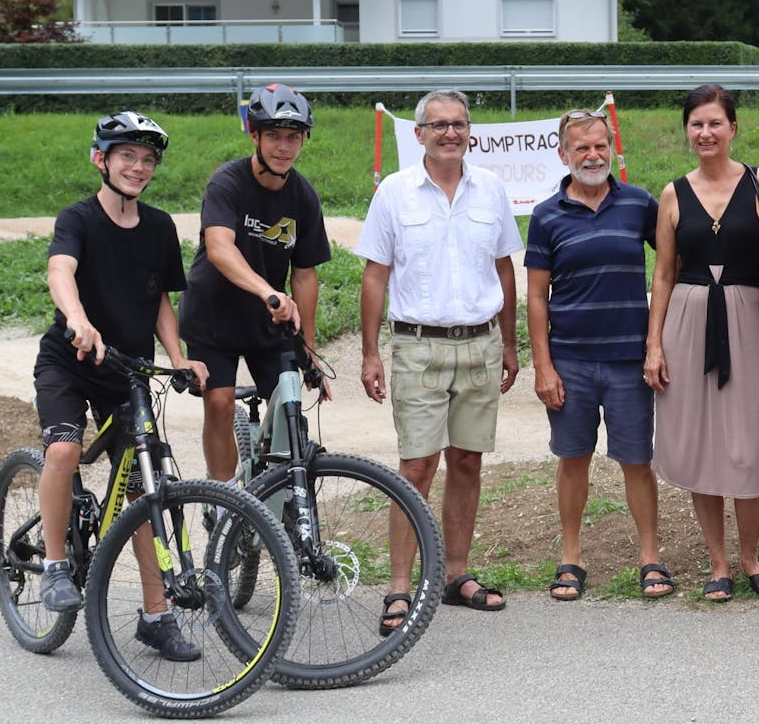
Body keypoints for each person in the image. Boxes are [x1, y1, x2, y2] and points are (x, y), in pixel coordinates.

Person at [33, 111, 209, 660]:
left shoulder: (158, 227)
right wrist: (78, 319)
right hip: (71, 359)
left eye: (147, 158)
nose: (138, 166)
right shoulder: (78, 218)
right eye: (126, 155)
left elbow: (160, 300)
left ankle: (156, 616)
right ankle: (56, 563)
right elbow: (60, 270)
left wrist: (180, 357)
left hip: (127, 370)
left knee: (142, 486)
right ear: (100, 160)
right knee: (63, 448)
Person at [358, 89, 521, 622]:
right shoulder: (394, 193)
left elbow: (503, 270)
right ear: (419, 133)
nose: (450, 133)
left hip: (480, 344)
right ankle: (400, 587)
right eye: (438, 125)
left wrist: (510, 343)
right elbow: (375, 276)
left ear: (469, 130)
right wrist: (370, 354)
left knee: (467, 461)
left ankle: (455, 574)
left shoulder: (491, 190)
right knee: (416, 467)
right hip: (417, 346)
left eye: (458, 124)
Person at [646, 85, 759, 601]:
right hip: (686, 321)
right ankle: (719, 563)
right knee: (701, 442)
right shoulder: (671, 193)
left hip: (748, 319)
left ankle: (752, 556)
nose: (705, 133)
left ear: (733, 129)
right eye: (696, 125)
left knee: (748, 443)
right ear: (687, 131)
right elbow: (663, 273)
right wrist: (654, 345)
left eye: (715, 123)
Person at [525, 107, 673, 600]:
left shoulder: (639, 204)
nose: (592, 155)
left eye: (600, 145)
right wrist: (543, 366)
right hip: (570, 362)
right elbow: (536, 298)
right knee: (573, 459)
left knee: (637, 460)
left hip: (630, 361)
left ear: (613, 149)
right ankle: (570, 557)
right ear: (564, 153)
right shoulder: (546, 216)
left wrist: (656, 345)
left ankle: (650, 557)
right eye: (581, 147)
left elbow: (670, 269)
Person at [179, 83, 332, 485]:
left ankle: (276, 493)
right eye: (274, 136)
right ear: (254, 135)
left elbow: (304, 273)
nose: (284, 147)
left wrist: (309, 350)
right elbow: (219, 247)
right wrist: (267, 291)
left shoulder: (303, 196)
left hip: (268, 323)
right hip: (213, 316)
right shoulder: (226, 182)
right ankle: (223, 495)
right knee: (220, 403)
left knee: (289, 411)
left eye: (293, 137)